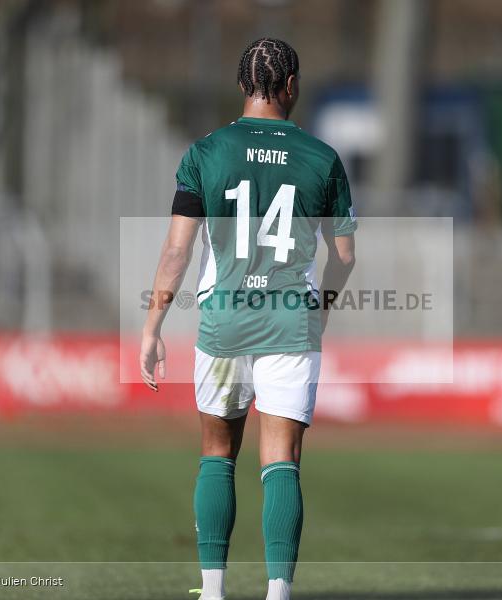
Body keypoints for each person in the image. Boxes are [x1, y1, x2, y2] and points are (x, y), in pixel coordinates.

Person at [140, 37, 356, 600]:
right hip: (291, 322)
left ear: (242, 87)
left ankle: (212, 592)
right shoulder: (322, 158)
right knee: (281, 460)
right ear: (292, 87)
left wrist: (152, 326)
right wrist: (322, 314)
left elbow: (176, 253)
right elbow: (345, 256)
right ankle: (277, 594)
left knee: (217, 453)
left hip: (224, 320)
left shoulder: (206, 152)